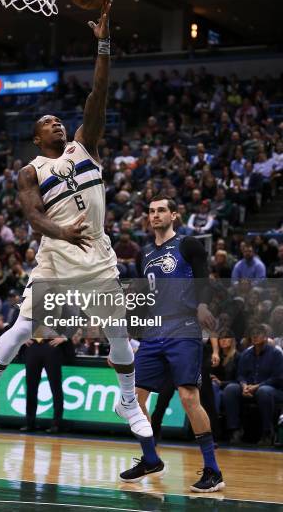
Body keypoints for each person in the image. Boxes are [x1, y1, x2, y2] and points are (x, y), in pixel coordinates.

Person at [0, 2, 152, 442]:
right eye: (48, 123)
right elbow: (32, 215)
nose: (57, 124)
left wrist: (103, 44)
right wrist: (63, 232)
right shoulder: (31, 170)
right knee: (22, 329)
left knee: (120, 334)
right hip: (55, 258)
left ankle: (127, 400)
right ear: (37, 138)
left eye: (58, 120)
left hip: (96, 256)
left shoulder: (84, 145)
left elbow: (99, 94)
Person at [120, 194, 224, 493]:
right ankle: (151, 458)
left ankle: (213, 471)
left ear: (174, 215)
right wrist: (125, 340)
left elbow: (204, 277)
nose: (155, 215)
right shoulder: (145, 254)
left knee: (189, 397)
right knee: (134, 400)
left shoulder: (188, 244)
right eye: (151, 211)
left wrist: (203, 304)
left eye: (161, 210)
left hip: (184, 326)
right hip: (154, 331)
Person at [222, 324, 283, 445]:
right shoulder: (246, 353)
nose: (255, 335)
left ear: (266, 337)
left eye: (258, 333)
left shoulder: (276, 353)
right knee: (230, 389)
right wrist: (244, 385)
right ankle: (235, 430)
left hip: (274, 390)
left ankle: (267, 432)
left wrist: (257, 386)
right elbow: (240, 375)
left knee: (264, 391)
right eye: (253, 333)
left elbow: (278, 378)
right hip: (249, 388)